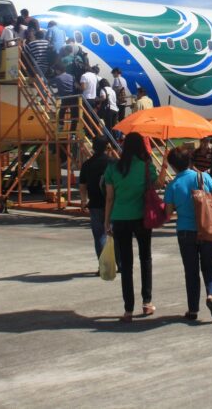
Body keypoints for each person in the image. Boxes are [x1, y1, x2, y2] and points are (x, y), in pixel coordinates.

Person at [163, 146, 212, 321]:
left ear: (173, 166)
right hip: (207, 229)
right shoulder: (203, 177)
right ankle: (211, 295)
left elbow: (167, 214)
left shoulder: (173, 185)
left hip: (185, 231)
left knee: (191, 271)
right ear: (190, 161)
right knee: (209, 266)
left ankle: (193, 310)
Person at [104, 132, 158, 322]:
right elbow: (156, 185)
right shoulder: (146, 166)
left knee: (126, 265)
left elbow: (109, 198)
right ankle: (147, 302)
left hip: (119, 218)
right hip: (142, 218)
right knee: (146, 258)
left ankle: (128, 309)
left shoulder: (113, 168)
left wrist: (106, 221)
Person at [79, 136, 112, 270]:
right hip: (113, 203)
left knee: (99, 235)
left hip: (95, 204)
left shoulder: (87, 164)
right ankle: (120, 264)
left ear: (93, 147)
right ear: (107, 147)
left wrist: (83, 200)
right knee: (114, 235)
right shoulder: (113, 163)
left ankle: (104, 266)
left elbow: (82, 185)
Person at [50, 63, 78, 129]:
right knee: (74, 115)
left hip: (65, 98)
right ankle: (73, 134)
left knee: (61, 111)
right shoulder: (71, 76)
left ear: (58, 70)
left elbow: (48, 82)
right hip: (74, 97)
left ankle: (61, 125)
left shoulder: (58, 78)